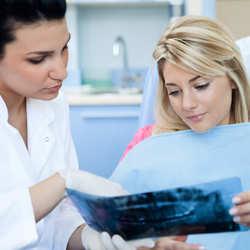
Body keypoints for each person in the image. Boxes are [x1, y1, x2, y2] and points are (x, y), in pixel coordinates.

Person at [0, 0, 157, 249]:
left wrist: (89, 239)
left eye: (64, 48)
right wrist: (62, 183)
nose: (62, 72)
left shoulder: (54, 104)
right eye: (38, 59)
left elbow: (57, 216)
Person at [112, 15, 250, 249]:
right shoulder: (148, 141)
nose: (187, 104)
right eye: (174, 91)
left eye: (200, 86)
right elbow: (112, 226)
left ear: (233, 77)